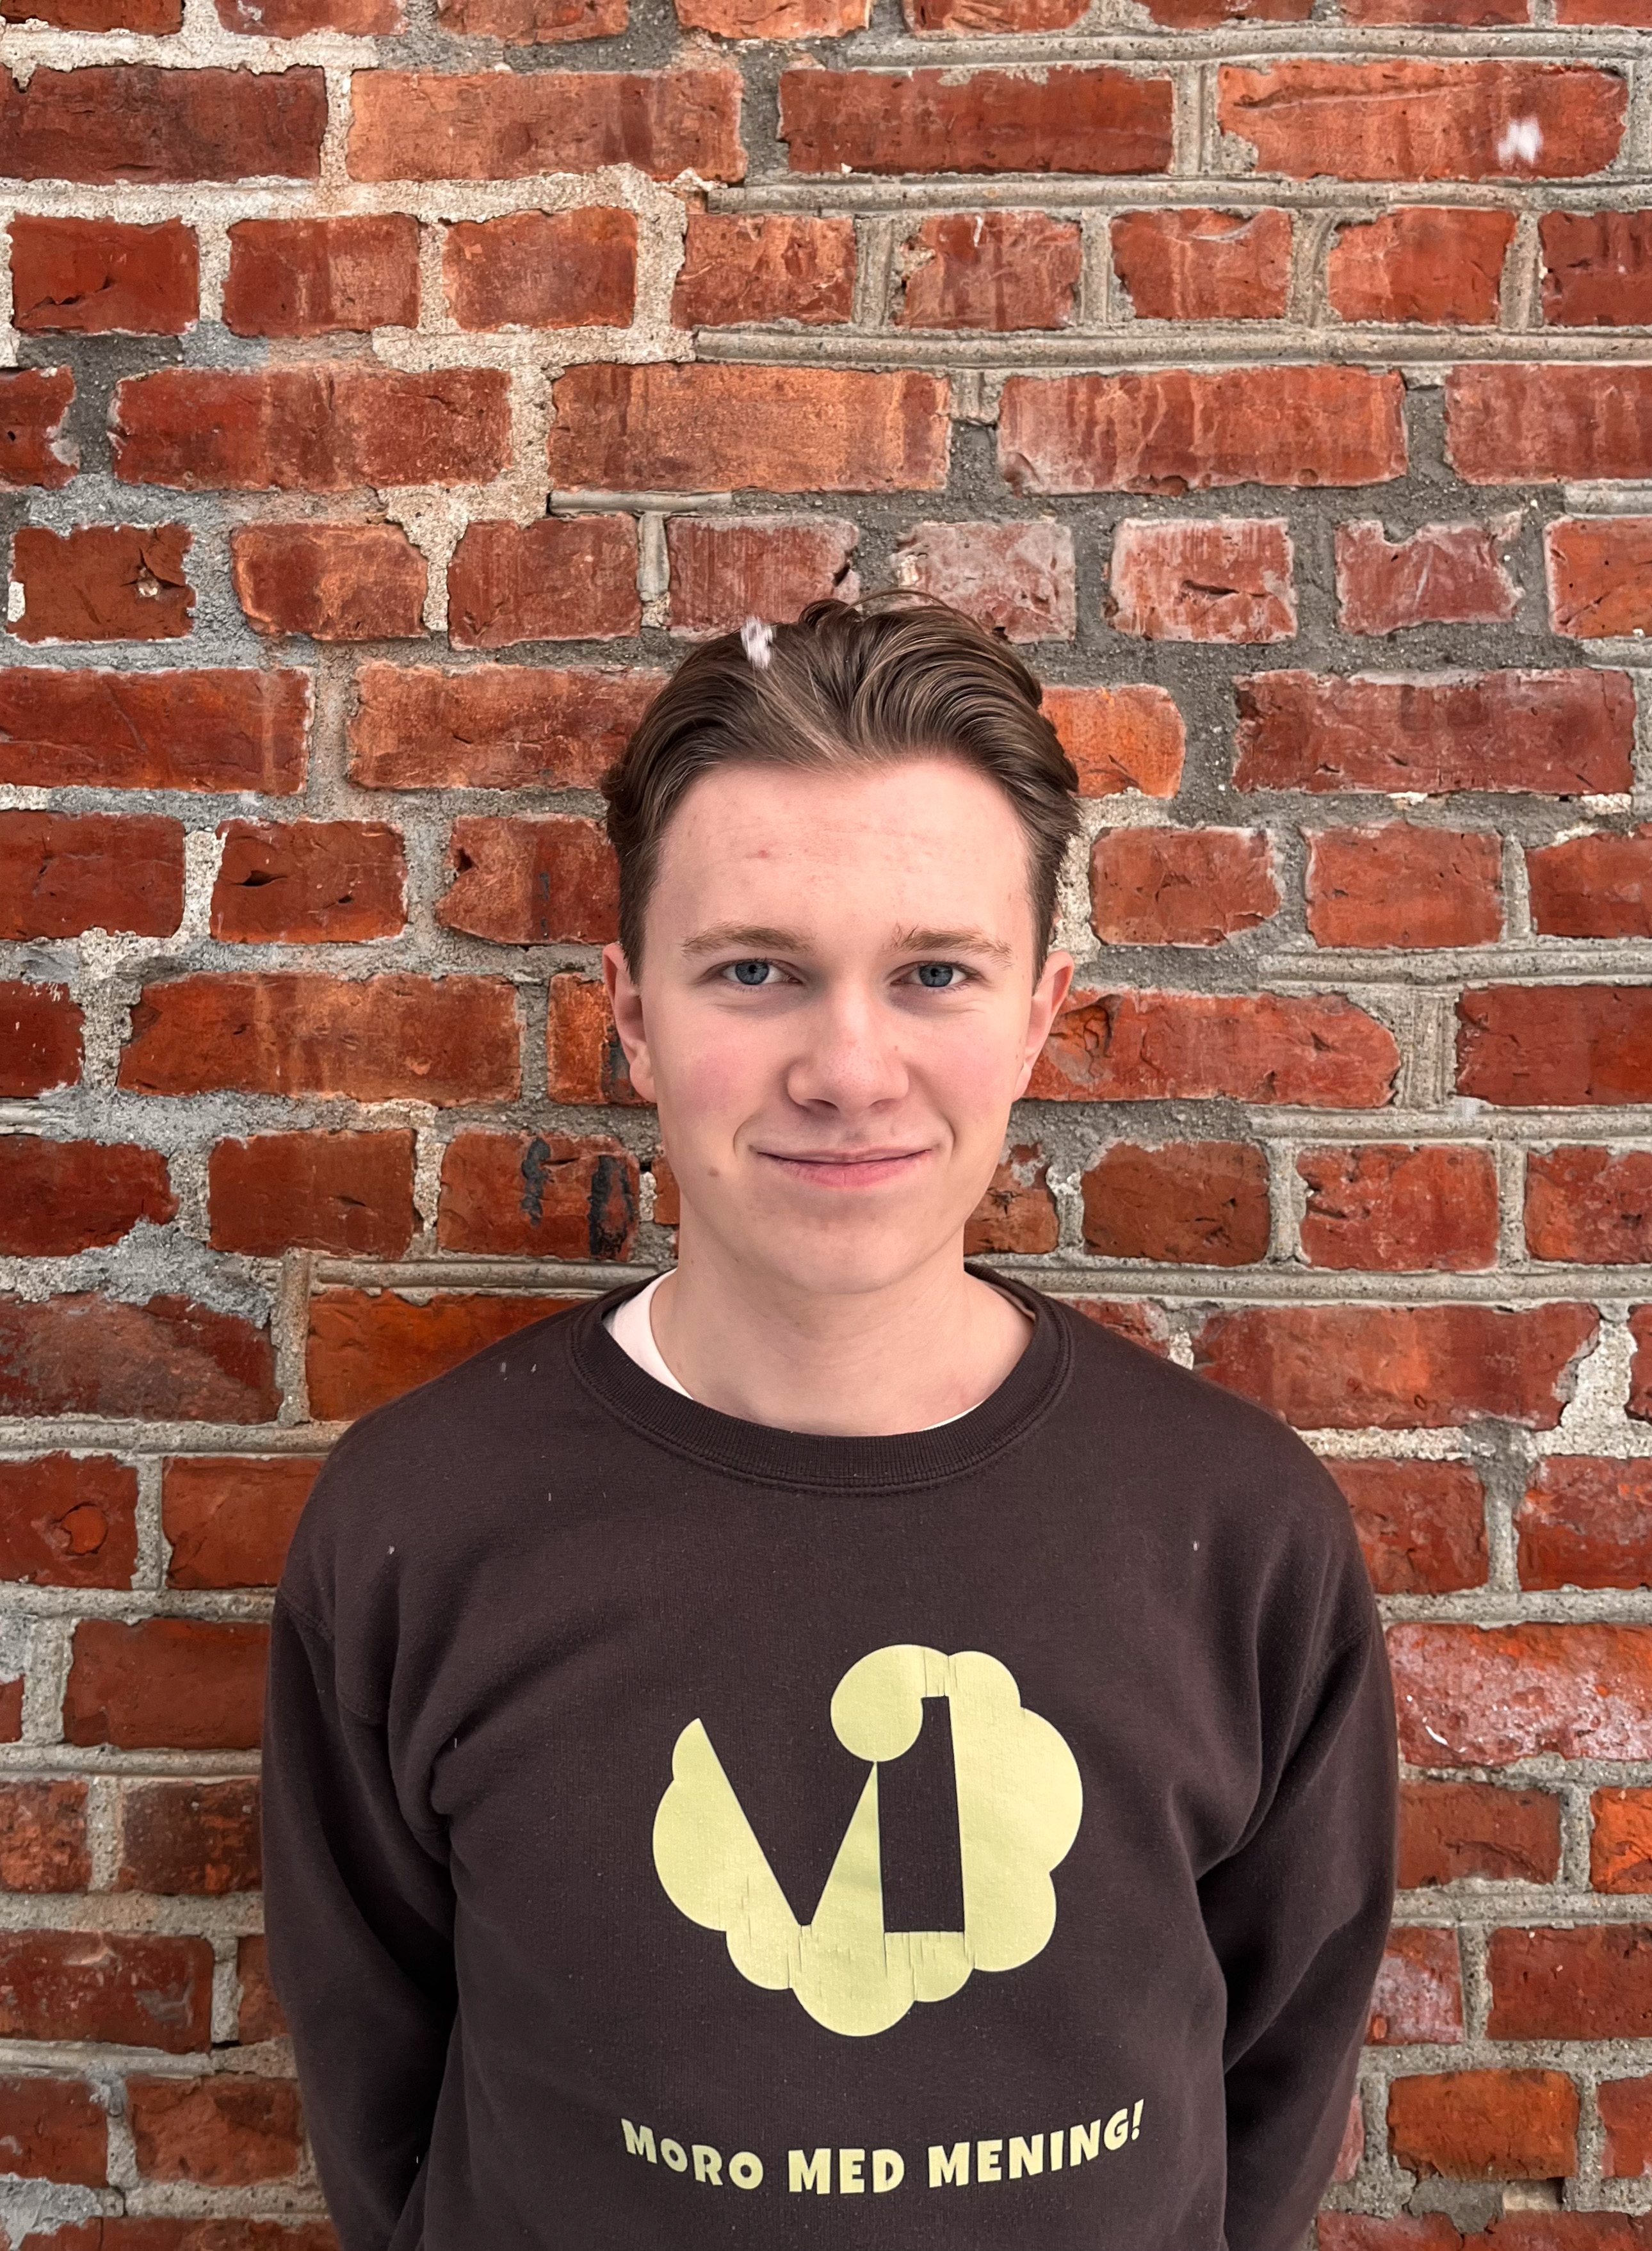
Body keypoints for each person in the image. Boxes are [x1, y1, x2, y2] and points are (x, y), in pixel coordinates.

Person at [261, 592, 1398, 2251]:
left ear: (1037, 1012)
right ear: (632, 1014)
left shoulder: (1241, 1533)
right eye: (755, 972)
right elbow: (379, 2086)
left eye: (933, 972)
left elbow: (1276, 2081)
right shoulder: (417, 1523)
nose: (848, 1069)